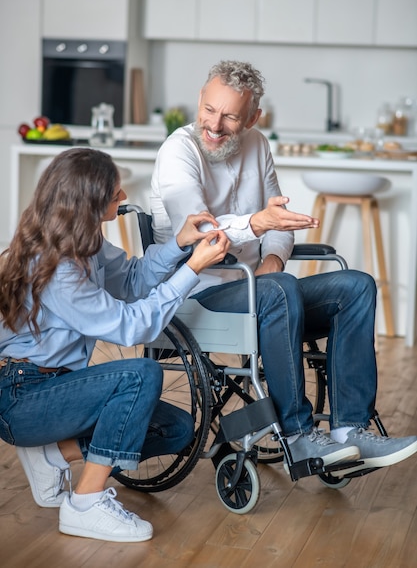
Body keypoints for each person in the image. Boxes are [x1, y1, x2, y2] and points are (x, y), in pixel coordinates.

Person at [150, 59, 417, 475]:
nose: (215, 124)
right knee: (280, 289)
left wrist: (272, 258)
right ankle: (298, 435)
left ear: (254, 117)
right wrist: (259, 228)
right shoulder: (177, 152)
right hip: (198, 299)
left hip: (263, 295)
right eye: (209, 110)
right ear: (199, 101)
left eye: (230, 116)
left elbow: (279, 226)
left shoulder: (258, 145)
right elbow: (200, 232)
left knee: (357, 286)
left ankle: (350, 431)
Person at [0, 147, 230, 543]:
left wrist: (179, 245)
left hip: (60, 385)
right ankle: (85, 504)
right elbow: (131, 327)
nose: (122, 199)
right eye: (115, 194)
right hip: (23, 395)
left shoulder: (85, 243)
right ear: (87, 203)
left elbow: (132, 281)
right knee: (140, 374)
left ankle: (53, 453)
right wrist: (192, 269)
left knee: (175, 430)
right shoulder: (57, 268)